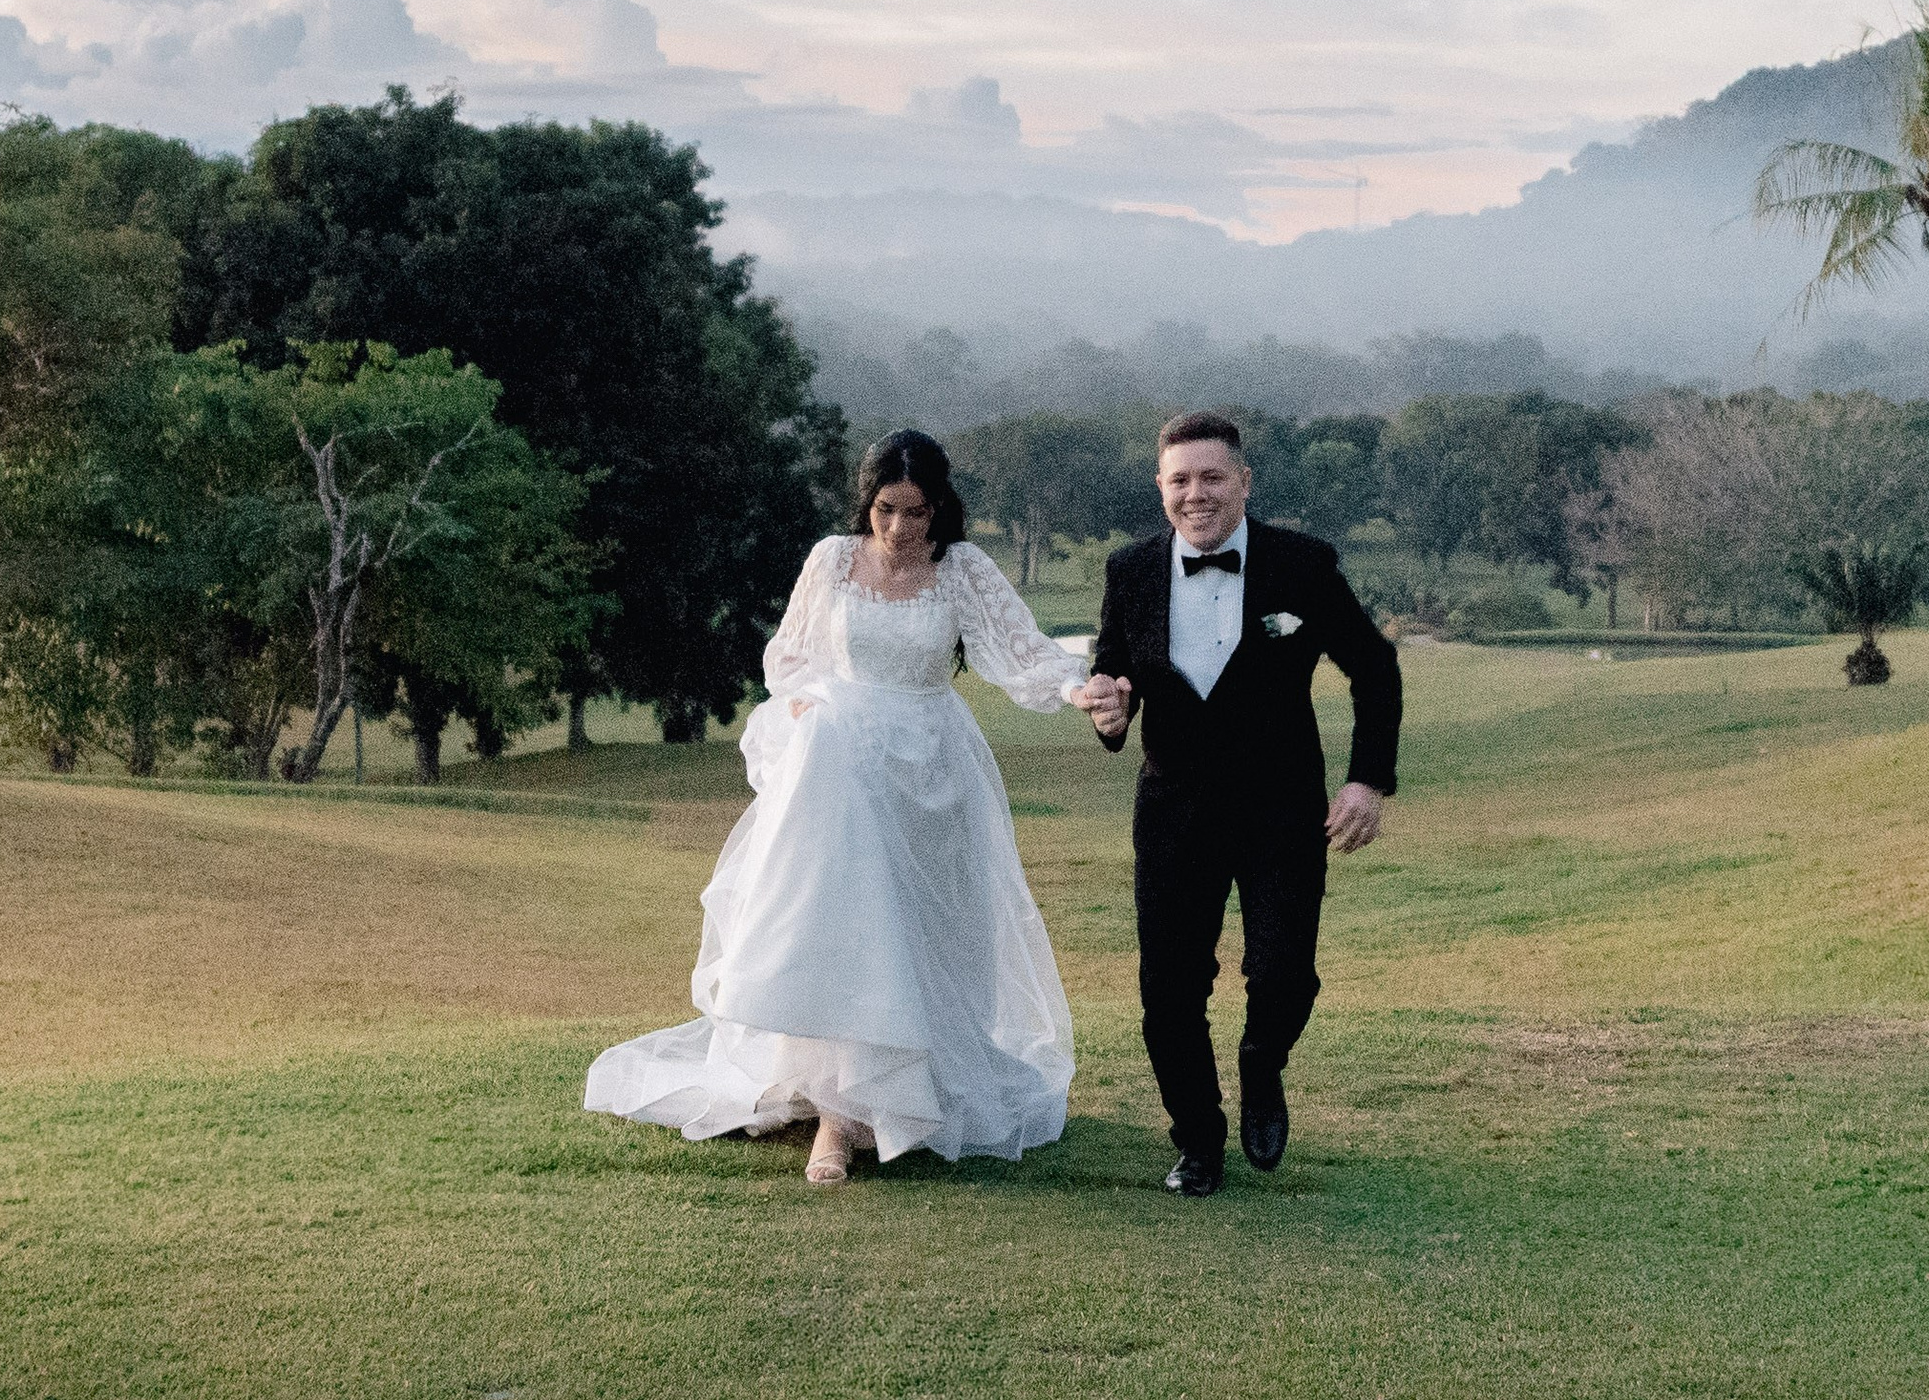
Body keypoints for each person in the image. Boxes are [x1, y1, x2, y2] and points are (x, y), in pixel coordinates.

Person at [584, 430, 1096, 1186]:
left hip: (931, 765)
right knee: (851, 929)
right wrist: (804, 706)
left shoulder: (962, 569)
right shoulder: (831, 559)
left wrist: (1078, 686)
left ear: (939, 508)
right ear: (868, 501)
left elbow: (1022, 650)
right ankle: (838, 1115)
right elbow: (788, 655)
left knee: (929, 932)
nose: (899, 528)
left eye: (917, 512)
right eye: (887, 509)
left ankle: (908, 1093)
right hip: (845, 764)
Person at [1076, 410, 1400, 1198]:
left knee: (1286, 971)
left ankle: (1262, 1062)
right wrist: (1110, 709)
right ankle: (1198, 1142)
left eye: (1213, 477)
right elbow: (1111, 673)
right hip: (1174, 810)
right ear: (1160, 489)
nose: (1197, 494)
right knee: (1168, 992)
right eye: (1180, 479)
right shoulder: (1131, 571)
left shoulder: (1304, 564)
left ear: (1244, 482)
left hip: (1283, 809)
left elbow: (1375, 667)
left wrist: (1367, 780)